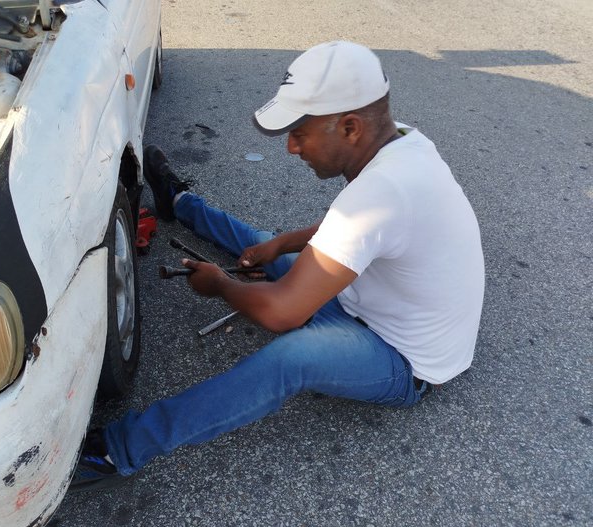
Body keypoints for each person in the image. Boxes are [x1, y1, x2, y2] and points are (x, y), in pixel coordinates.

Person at [72, 40, 485, 489]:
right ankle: (180, 203)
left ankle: (120, 449)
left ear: (349, 127)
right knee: (266, 245)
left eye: (300, 132)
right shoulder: (401, 141)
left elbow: (282, 313)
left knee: (291, 358)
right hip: (366, 304)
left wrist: (221, 285)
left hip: (405, 360)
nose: (290, 147)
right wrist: (283, 244)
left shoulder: (385, 190)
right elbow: (353, 224)